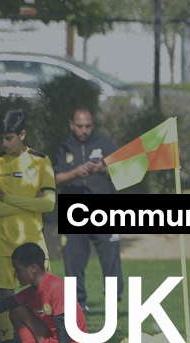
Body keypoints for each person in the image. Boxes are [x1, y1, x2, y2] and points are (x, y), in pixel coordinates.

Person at [0, 110, 56, 343]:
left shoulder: (40, 161)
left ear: (22, 134)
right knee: (5, 294)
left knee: (43, 294)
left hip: (33, 243)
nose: (4, 144)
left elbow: (49, 204)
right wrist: (28, 200)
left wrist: (9, 198)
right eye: (2, 139)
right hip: (3, 242)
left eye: (10, 138)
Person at [54, 107, 122, 316]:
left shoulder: (107, 144)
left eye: (88, 126)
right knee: (73, 258)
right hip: (73, 210)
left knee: (110, 258)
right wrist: (75, 173)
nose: (84, 130)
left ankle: (113, 302)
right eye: (80, 126)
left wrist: (102, 169)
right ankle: (78, 303)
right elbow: (54, 179)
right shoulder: (63, 148)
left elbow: (121, 171)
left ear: (93, 125)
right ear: (72, 125)